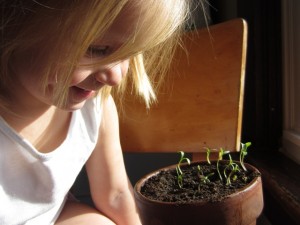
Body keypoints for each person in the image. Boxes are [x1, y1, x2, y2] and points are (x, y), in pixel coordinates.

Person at [0, 0, 191, 224]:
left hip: (54, 216)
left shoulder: (95, 107)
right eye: (97, 49)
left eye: (132, 53)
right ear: (11, 24)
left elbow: (116, 194)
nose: (116, 77)